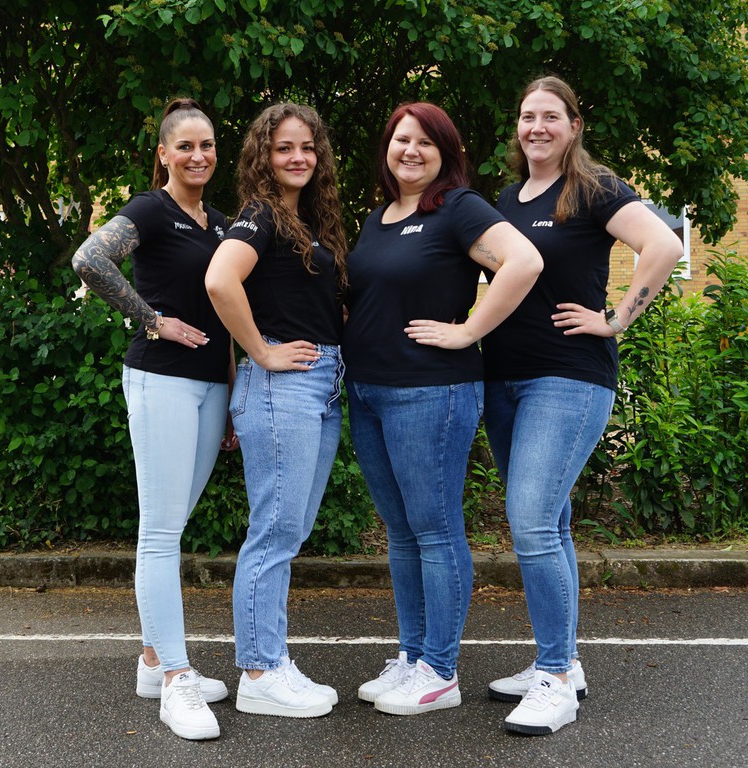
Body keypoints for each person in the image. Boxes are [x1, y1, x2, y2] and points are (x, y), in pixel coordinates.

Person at [411, 76, 683, 735]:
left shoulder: (594, 188)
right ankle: (560, 662)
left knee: (531, 521)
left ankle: (556, 679)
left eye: (550, 116)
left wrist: (615, 319)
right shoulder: (508, 199)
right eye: (528, 116)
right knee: (550, 525)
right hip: (505, 378)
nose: (537, 126)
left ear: (574, 125)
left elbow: (666, 246)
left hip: (568, 378)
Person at [342, 102, 543, 716]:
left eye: (426, 142)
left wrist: (469, 330)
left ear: (446, 153)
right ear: (387, 147)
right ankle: (412, 656)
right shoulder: (378, 217)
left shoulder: (457, 207)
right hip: (370, 393)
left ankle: (440, 669)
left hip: (431, 392)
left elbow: (525, 261)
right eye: (401, 139)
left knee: (434, 528)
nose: (411, 150)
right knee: (401, 531)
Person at [72, 98, 236, 741]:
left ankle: (150, 661)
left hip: (210, 387)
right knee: (162, 531)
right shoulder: (150, 209)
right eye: (185, 146)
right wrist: (151, 319)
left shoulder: (220, 224)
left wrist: (231, 396)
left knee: (174, 523)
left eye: (207, 144)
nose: (198, 155)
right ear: (164, 153)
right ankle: (175, 678)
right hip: (161, 379)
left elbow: (227, 311)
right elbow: (90, 259)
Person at [205, 103, 348, 718]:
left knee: (289, 531)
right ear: (263, 155)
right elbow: (220, 280)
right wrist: (261, 352)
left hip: (321, 385)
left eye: (307, 147)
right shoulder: (260, 215)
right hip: (281, 386)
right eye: (284, 147)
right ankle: (260, 671)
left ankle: (271, 660)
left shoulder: (307, 220)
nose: (298, 157)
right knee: (274, 532)